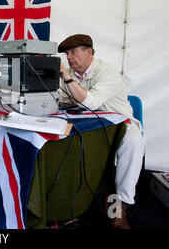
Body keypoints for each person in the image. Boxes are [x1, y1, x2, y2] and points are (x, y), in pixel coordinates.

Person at [57, 34, 146, 229]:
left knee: (133, 142)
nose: (69, 58)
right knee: (61, 140)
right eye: (66, 54)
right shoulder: (70, 74)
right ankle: (70, 203)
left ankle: (119, 206)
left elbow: (91, 101)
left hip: (120, 122)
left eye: (73, 52)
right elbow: (60, 101)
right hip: (90, 125)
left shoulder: (107, 72)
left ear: (89, 52)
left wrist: (67, 78)